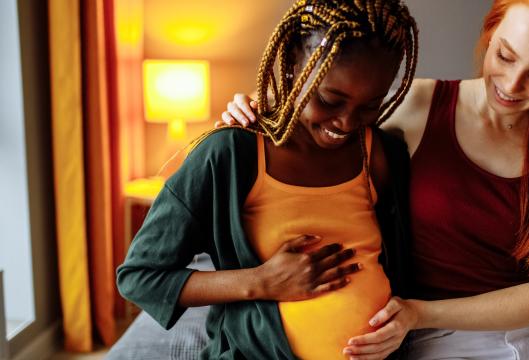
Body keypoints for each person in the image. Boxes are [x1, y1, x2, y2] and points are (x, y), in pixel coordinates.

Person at [222, 0, 529, 358]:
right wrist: (256, 112)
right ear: (491, 33)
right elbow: (320, 124)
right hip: (431, 341)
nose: (512, 85)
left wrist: (419, 312)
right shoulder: (419, 106)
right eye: (506, 57)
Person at [117, 0, 419, 359]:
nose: (347, 123)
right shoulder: (232, 152)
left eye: (371, 104)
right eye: (329, 99)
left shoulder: (381, 153)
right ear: (292, 65)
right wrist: (261, 282)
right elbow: (140, 277)